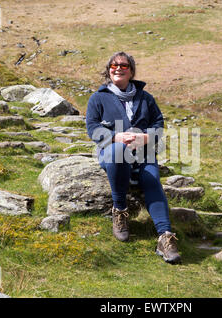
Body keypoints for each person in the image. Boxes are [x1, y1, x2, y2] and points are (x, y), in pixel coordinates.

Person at [85, 51, 181, 264]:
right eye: (113, 65)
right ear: (108, 70)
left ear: (131, 71)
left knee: (151, 179)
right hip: (113, 150)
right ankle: (120, 210)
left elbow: (158, 124)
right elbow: (92, 128)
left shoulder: (146, 98)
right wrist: (115, 136)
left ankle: (165, 237)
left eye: (123, 65)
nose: (118, 68)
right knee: (119, 151)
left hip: (144, 152)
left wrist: (146, 137)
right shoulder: (98, 98)